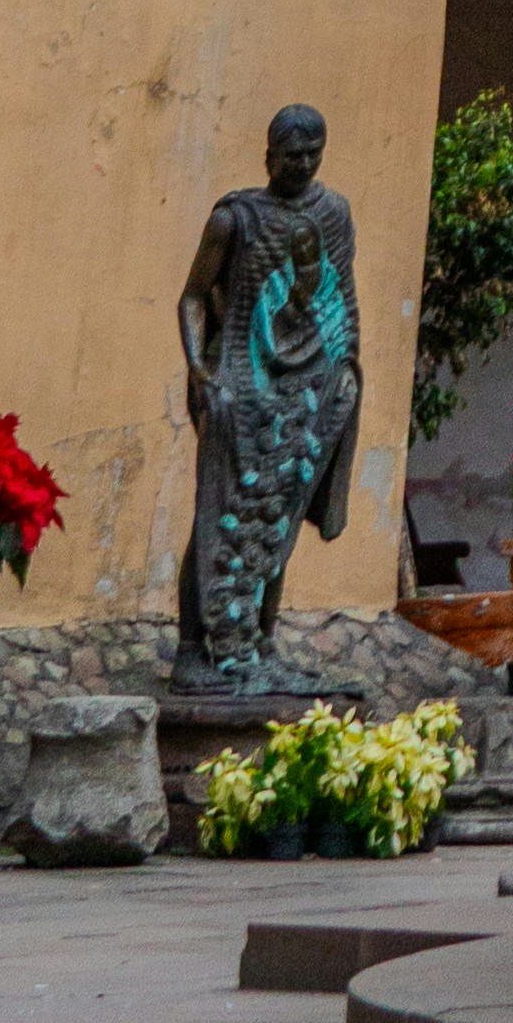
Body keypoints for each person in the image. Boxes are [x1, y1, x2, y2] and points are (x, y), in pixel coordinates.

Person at [168, 100, 362, 693]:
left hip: (308, 387)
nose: (302, 165)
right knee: (221, 515)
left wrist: (348, 367)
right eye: (290, 155)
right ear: (268, 155)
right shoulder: (235, 218)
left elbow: (342, 299)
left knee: (279, 519)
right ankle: (195, 649)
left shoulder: (334, 213)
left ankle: (263, 643)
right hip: (241, 384)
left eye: (312, 154)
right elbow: (193, 297)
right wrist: (199, 369)